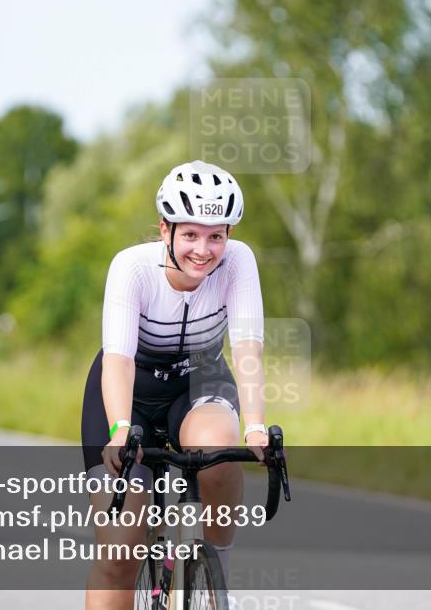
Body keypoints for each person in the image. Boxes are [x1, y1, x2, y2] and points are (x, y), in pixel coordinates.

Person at [81, 160, 268, 610]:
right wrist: (121, 430)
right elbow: (119, 360)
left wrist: (257, 428)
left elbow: (246, 350)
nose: (204, 250)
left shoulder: (239, 261)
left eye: (216, 236)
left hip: (199, 379)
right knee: (120, 553)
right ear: (165, 229)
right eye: (190, 234)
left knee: (220, 452)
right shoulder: (132, 268)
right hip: (130, 391)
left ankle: (214, 568)